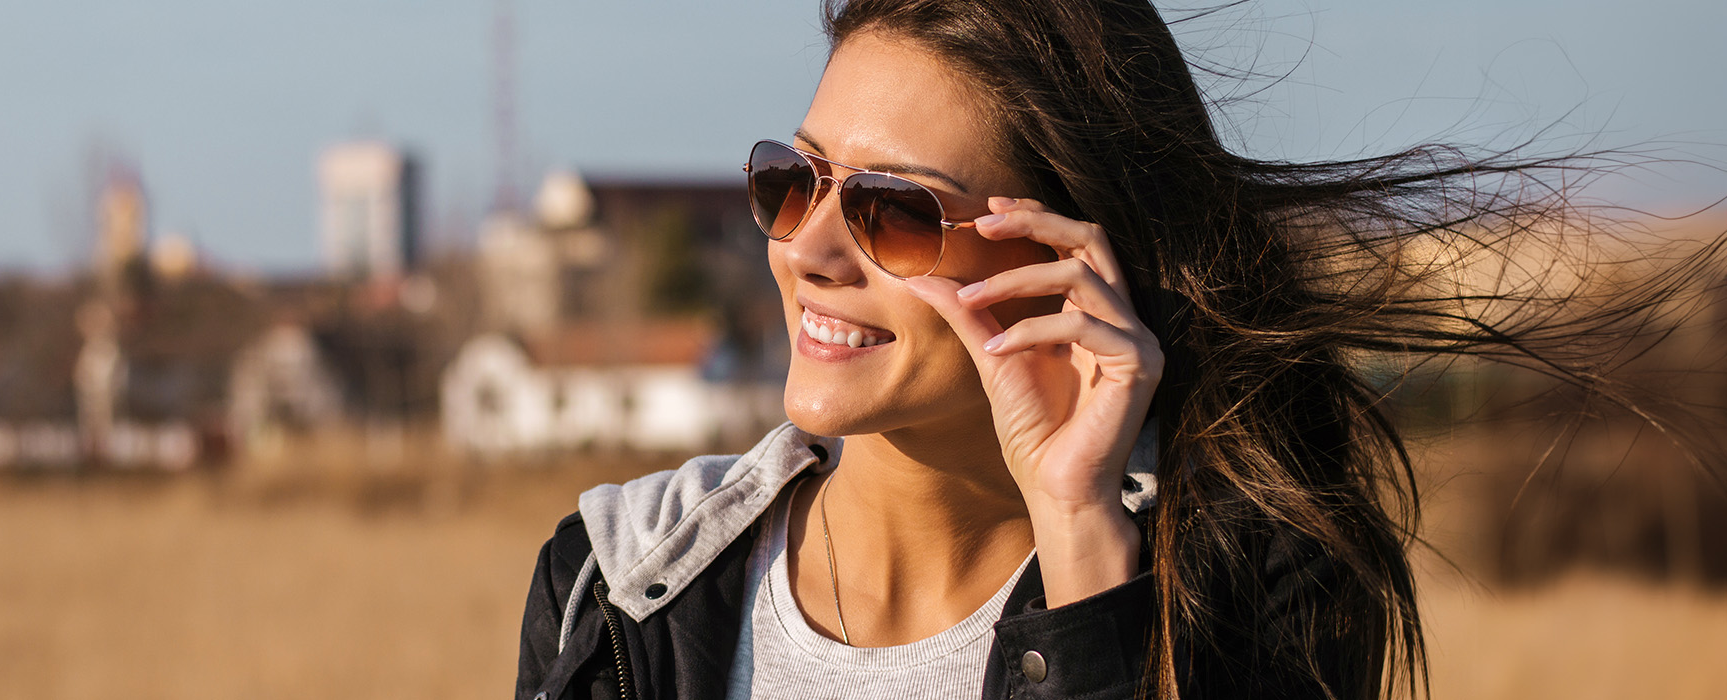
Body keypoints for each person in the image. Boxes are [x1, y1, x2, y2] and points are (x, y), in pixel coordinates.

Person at [515, 1, 1710, 698]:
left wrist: (1085, 551)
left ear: (1067, 260)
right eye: (792, 181)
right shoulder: (618, 582)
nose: (808, 250)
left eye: (891, 211)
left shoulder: (1236, 589)